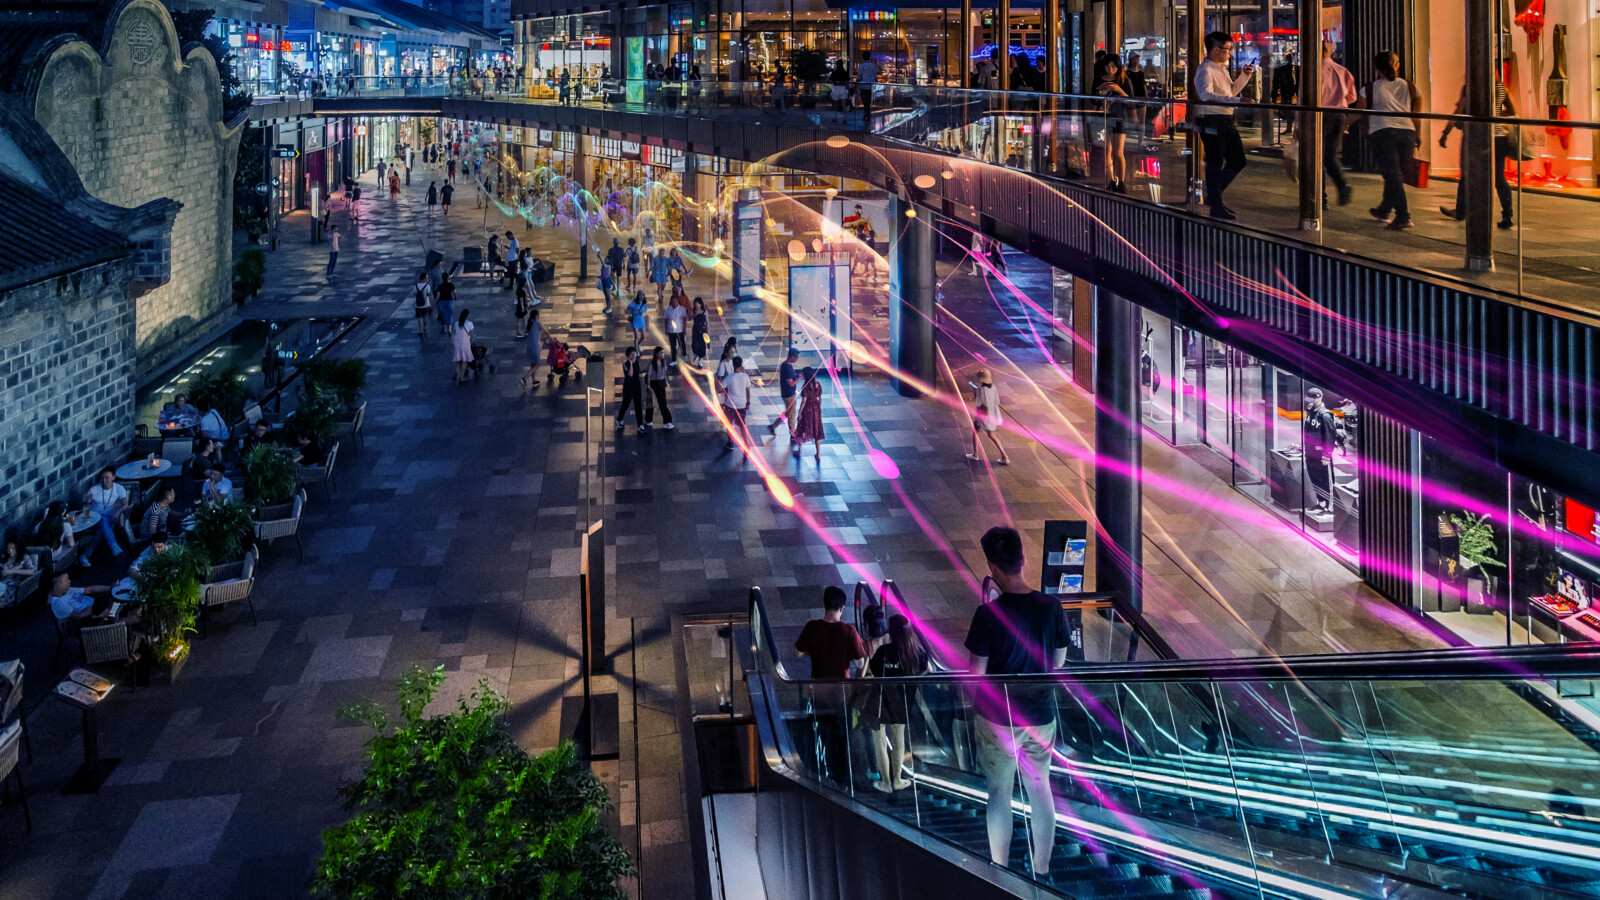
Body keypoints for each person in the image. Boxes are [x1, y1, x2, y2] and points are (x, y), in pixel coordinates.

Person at [964, 525, 1070, 885]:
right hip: (1040, 716)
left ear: (992, 569)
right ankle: (1041, 871)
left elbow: (975, 674)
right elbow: (1058, 663)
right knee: (1041, 790)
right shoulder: (1052, 608)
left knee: (999, 792)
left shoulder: (987, 615)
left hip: (996, 718)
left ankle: (1001, 872)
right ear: (1024, 560)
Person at [795, 586, 868, 784]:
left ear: (825, 605)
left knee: (822, 735)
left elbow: (799, 653)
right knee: (843, 737)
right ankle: (845, 780)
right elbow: (860, 663)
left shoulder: (812, 627)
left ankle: (824, 776)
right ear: (842, 608)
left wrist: (814, 651)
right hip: (841, 694)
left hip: (817, 694)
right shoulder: (849, 631)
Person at [1439, 79, 1517, 229]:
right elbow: (1511, 111)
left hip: (1475, 136)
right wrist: (1494, 113)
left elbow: (1459, 112)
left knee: (1467, 175)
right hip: (1499, 137)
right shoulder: (1501, 87)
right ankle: (1507, 215)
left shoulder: (1471, 86)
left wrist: (1445, 132)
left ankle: (1461, 211)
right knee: (1499, 178)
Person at [865, 613, 930, 792]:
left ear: (891, 632)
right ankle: (897, 780)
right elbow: (928, 670)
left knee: (880, 742)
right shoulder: (916, 652)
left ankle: (885, 782)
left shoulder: (884, 652)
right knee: (898, 739)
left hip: (880, 701)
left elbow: (874, 672)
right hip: (902, 702)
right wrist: (912, 680)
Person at [1357, 50, 1421, 230]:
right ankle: (1384, 210)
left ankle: (1403, 216)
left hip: (1382, 132)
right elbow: (1417, 114)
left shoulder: (1369, 89)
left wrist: (1348, 125)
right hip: (1407, 132)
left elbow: (1360, 112)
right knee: (1394, 174)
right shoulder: (1411, 87)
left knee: (1392, 175)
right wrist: (1418, 134)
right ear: (1397, 65)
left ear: (1376, 67)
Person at [1193, 32, 1254, 220]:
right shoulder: (1205, 70)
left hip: (1225, 118)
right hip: (1211, 118)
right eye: (1227, 49)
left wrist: (1244, 77)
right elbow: (1206, 95)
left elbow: (1231, 91)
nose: (1230, 53)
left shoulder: (1221, 69)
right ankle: (1215, 202)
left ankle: (1213, 197)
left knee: (1237, 160)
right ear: (1216, 50)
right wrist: (1237, 99)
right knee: (1215, 161)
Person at [1318, 42, 1358, 207]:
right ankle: (1342, 185)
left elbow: (1303, 97)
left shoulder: (1314, 71)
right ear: (1328, 51)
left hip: (1319, 115)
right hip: (1338, 115)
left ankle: (1320, 198)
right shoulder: (1342, 70)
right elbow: (1352, 97)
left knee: (1315, 157)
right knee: (1330, 155)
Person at [1092, 54, 1134, 194]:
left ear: (1118, 67)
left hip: (1119, 117)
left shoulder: (1123, 80)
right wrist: (1100, 93)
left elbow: (1131, 100)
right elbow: (1093, 99)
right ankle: (1110, 179)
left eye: (1113, 67)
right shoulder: (1098, 79)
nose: (1110, 70)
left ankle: (1121, 181)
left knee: (1118, 151)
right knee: (1106, 152)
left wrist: (1118, 90)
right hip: (1103, 117)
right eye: (1107, 67)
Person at [83, 468, 129, 563]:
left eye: (107, 478)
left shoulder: (119, 488)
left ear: (113, 478)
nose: (104, 480)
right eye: (102, 478)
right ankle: (114, 546)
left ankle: (85, 554)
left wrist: (117, 512)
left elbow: (125, 504)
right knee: (102, 520)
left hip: (110, 517)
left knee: (100, 532)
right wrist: (86, 518)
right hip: (95, 517)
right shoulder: (94, 490)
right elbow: (85, 506)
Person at [967, 368, 1010, 465]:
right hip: (991, 415)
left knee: (975, 432)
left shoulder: (982, 390)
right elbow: (996, 402)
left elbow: (979, 403)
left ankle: (975, 454)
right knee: (991, 435)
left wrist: (975, 392)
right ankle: (1004, 457)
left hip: (983, 416)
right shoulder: (993, 387)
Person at [718, 355, 753, 453]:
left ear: (733, 365)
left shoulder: (729, 377)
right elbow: (748, 391)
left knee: (729, 424)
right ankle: (746, 443)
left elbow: (719, 389)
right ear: (741, 365)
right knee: (742, 425)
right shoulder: (745, 376)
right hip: (742, 405)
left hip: (730, 405)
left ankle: (730, 443)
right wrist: (748, 402)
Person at [791, 366, 825, 460]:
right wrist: (819, 407)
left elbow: (804, 401)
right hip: (816, 410)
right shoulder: (817, 384)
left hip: (808, 410)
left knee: (802, 429)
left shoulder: (805, 387)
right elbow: (819, 397)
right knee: (817, 431)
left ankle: (798, 450)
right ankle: (818, 454)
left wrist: (799, 412)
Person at [767, 348, 801, 442]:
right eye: (797, 357)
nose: (797, 358)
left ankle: (773, 426)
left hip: (785, 393)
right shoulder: (788, 368)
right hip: (789, 394)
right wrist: (800, 378)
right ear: (792, 357)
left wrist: (796, 377)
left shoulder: (784, 365)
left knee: (787, 413)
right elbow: (791, 383)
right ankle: (792, 434)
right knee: (791, 414)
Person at [615, 346, 645, 431]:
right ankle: (619, 419)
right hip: (628, 387)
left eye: (634, 353)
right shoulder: (625, 364)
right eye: (632, 354)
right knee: (625, 404)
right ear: (628, 356)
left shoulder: (637, 362)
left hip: (637, 386)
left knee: (638, 405)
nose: (634, 355)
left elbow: (638, 372)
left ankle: (640, 425)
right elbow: (630, 374)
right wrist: (631, 363)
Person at [645, 347, 674, 430]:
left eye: (663, 353)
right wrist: (648, 386)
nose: (662, 354)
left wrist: (666, 382)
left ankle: (667, 421)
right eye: (661, 353)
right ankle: (648, 420)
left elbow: (664, 373)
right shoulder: (652, 364)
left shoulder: (663, 362)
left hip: (661, 383)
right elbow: (649, 375)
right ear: (656, 354)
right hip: (653, 383)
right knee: (650, 402)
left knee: (662, 402)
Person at [520, 308, 544, 390]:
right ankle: (525, 378)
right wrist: (551, 339)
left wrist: (542, 339)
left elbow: (535, 335)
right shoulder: (538, 323)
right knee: (537, 364)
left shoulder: (530, 324)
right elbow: (546, 332)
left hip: (529, 347)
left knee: (533, 363)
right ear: (537, 316)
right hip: (534, 347)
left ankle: (534, 381)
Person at [452, 307, 475, 383]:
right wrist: (472, 338)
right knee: (464, 360)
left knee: (458, 359)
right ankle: (461, 377)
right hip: (465, 343)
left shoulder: (456, 323)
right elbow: (471, 334)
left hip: (457, 343)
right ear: (467, 316)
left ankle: (456, 372)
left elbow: (456, 332)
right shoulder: (469, 324)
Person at [663, 294, 688, 364]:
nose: (674, 302)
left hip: (679, 330)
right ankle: (674, 360)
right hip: (671, 330)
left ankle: (684, 355)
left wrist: (684, 328)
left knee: (682, 344)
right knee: (673, 346)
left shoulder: (682, 309)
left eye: (675, 301)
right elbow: (665, 319)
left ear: (678, 301)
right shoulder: (668, 309)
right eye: (673, 301)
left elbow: (685, 318)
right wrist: (666, 329)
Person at [855, 51, 878, 125]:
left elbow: (859, 76)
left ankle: (866, 115)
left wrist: (856, 84)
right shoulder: (873, 66)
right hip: (871, 86)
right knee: (868, 102)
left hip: (863, 86)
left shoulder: (862, 66)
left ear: (863, 57)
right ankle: (867, 115)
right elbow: (875, 77)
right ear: (869, 57)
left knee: (865, 102)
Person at [830, 58, 852, 124]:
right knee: (843, 104)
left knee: (835, 104)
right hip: (843, 88)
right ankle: (845, 118)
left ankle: (836, 117)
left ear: (837, 65)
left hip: (836, 88)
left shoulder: (834, 72)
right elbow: (847, 81)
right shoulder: (845, 73)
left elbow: (831, 80)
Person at [691, 297, 710, 366]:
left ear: (700, 304)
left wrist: (707, 331)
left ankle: (700, 360)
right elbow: (690, 318)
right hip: (696, 328)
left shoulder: (704, 310)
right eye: (695, 303)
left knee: (702, 345)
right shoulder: (694, 310)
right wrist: (695, 314)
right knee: (695, 343)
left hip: (703, 329)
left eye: (698, 303)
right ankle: (696, 354)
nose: (697, 305)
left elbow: (707, 321)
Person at [413, 270, 433, 337]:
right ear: (424, 278)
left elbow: (415, 294)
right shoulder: (427, 286)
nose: (428, 279)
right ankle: (425, 327)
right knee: (425, 316)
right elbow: (429, 294)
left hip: (418, 305)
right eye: (427, 278)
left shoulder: (416, 286)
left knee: (419, 318)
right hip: (426, 304)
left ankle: (421, 330)